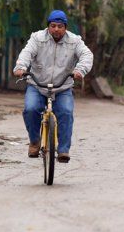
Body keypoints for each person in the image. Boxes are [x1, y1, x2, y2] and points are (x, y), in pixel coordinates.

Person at [13, 10, 93, 163]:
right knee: (31, 109)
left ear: (65, 27)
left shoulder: (74, 41)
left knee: (66, 112)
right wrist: (21, 67)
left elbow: (87, 55)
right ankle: (35, 141)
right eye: (53, 26)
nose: (56, 29)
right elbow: (26, 53)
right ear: (48, 26)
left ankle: (63, 150)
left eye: (60, 26)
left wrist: (80, 70)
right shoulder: (37, 38)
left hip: (62, 87)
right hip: (38, 85)